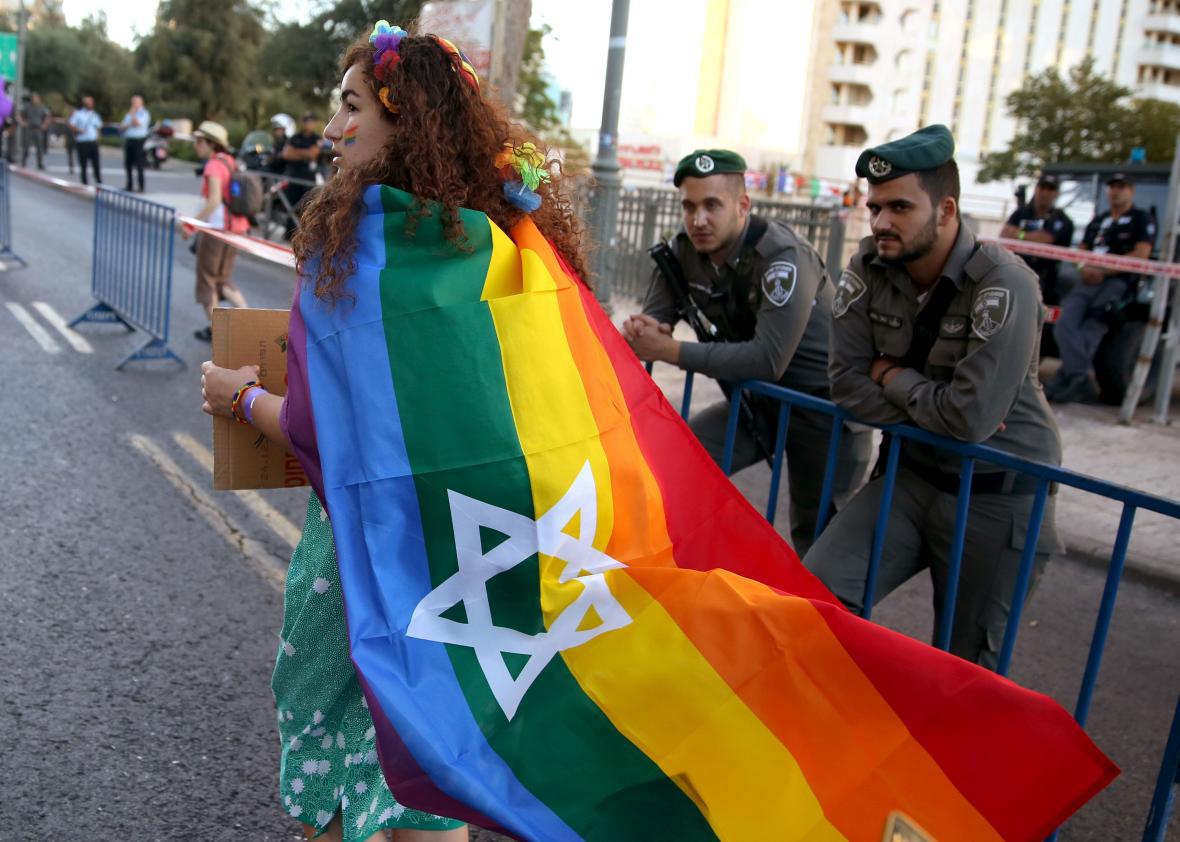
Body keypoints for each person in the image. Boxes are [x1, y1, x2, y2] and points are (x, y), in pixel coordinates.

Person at [197, 23, 588, 841]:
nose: (332, 130)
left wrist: (237, 398)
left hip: (361, 568)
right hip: (464, 572)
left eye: (349, 107)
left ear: (402, 120)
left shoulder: (362, 252)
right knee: (430, 769)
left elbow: (319, 433)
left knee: (333, 771)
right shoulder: (505, 248)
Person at [802, 125, 1064, 670]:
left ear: (946, 211)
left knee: (967, 670)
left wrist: (893, 378)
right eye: (874, 207)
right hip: (912, 476)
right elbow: (846, 384)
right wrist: (932, 404)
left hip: (996, 493)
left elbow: (970, 418)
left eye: (899, 207)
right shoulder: (867, 267)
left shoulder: (1004, 283)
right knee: (814, 596)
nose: (880, 223)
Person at [622, 149, 872, 555]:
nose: (698, 219)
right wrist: (645, 326)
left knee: (820, 547)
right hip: (759, 404)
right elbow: (654, 320)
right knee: (669, 467)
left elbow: (766, 360)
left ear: (742, 206)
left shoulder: (782, 257)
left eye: (711, 205)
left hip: (826, 415)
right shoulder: (682, 252)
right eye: (689, 206)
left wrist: (669, 349)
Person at [1045, 173, 1156, 404]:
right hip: (1086, 281)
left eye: (1122, 187)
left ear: (1131, 191)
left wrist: (1105, 270)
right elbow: (1080, 252)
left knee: (1090, 328)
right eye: (1113, 187)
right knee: (1065, 322)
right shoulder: (1099, 220)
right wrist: (1083, 267)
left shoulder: (1141, 219)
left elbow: (1141, 253)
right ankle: (1078, 377)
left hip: (1118, 283)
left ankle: (1070, 379)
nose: (1116, 191)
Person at [184, 121, 249, 342]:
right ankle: (248, 319)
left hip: (216, 231)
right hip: (235, 229)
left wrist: (191, 225)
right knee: (222, 278)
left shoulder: (213, 165)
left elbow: (213, 201)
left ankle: (217, 334)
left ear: (211, 144)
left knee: (207, 280)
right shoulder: (229, 162)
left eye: (200, 141)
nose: (196, 146)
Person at [1001, 175, 1075, 308]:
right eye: (1042, 188)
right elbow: (1004, 234)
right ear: (1036, 189)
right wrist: (1029, 236)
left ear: (1056, 194)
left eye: (1050, 189)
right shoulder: (1021, 213)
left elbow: (1045, 239)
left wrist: (1020, 234)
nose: (1045, 193)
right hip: (1014, 270)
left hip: (1044, 279)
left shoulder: (1061, 218)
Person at [280, 111, 321, 238]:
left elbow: (313, 154)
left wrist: (296, 152)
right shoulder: (295, 137)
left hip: (308, 177)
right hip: (294, 176)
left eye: (311, 121)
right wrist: (305, 153)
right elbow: (286, 154)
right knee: (290, 204)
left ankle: (301, 235)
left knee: (306, 207)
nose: (309, 123)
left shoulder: (316, 138)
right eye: (306, 121)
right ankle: (288, 234)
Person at [68, 95, 103, 186]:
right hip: (82, 142)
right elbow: (71, 124)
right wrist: (79, 130)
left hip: (93, 142)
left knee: (96, 163)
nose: (90, 104)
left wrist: (97, 137)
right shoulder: (78, 114)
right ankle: (84, 182)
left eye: (91, 102)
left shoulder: (95, 115)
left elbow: (98, 126)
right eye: (88, 102)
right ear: (84, 103)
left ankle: (99, 181)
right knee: (83, 163)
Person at [119, 94, 150, 192]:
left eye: (135, 102)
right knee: (128, 164)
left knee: (139, 164)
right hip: (129, 140)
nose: (133, 104)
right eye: (132, 102)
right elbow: (122, 126)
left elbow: (137, 124)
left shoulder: (144, 113)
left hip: (139, 141)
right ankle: (129, 185)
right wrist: (128, 122)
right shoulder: (129, 114)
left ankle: (141, 186)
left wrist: (132, 116)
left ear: (141, 103)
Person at [18, 92, 49, 170]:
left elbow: (47, 116)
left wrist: (45, 125)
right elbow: (19, 114)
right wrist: (22, 122)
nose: (34, 99)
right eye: (33, 98)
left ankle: (40, 163)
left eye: (36, 98)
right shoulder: (27, 107)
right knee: (26, 146)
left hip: (38, 128)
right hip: (29, 128)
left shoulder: (42, 107)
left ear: (38, 99)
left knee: (39, 147)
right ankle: (23, 162)